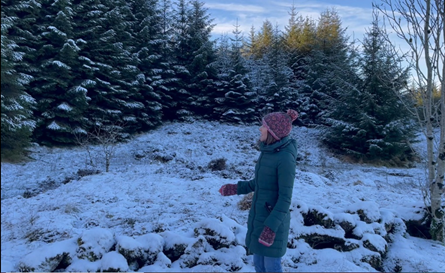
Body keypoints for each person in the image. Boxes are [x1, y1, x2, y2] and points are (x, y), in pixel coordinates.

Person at [219, 109, 299, 273]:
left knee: (272, 268)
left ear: (273, 132)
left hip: (273, 222)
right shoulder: (268, 152)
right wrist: (236, 188)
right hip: (259, 218)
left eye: (263, 126)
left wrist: (270, 228)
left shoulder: (285, 159)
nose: (260, 129)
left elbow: (285, 199)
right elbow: (262, 183)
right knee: (260, 267)